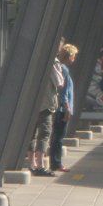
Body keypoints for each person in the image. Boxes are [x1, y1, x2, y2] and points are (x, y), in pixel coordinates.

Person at [29, 42, 65, 176]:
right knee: (44, 133)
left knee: (31, 133)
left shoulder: (34, 57)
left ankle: (31, 164)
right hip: (45, 103)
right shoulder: (53, 61)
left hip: (31, 103)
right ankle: (40, 165)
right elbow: (59, 82)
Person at [49, 43, 78, 173]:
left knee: (56, 136)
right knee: (59, 136)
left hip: (59, 107)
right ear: (69, 56)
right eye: (74, 56)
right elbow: (64, 91)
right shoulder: (64, 69)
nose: (74, 59)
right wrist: (67, 109)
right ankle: (56, 163)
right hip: (62, 108)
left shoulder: (60, 67)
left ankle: (55, 162)